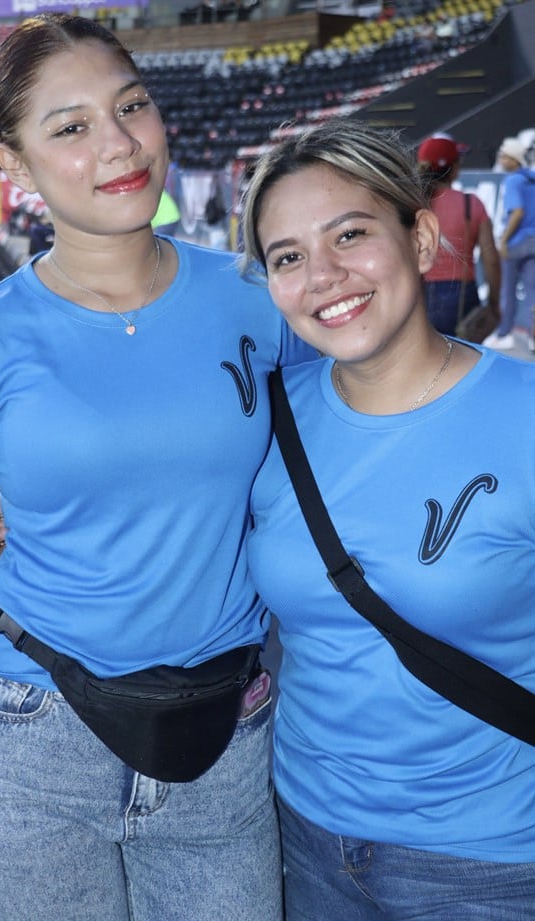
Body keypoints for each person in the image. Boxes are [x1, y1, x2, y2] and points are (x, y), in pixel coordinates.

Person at [0, 14, 313, 921]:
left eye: (130, 105)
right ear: (12, 165)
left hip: (223, 741)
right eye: (70, 127)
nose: (119, 143)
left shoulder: (261, 297)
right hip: (27, 745)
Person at [239, 118, 535, 919]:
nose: (324, 275)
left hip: (492, 861)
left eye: (351, 235)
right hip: (302, 835)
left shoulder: (525, 416)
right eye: (289, 257)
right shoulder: (262, 422)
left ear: (425, 236)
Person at [416, 134, 500, 336]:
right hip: (462, 296)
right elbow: (491, 259)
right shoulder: (471, 204)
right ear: (453, 169)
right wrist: (494, 303)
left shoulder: (412, 205)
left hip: (418, 294)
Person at [484, 136, 535, 351]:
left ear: (514, 159)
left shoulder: (513, 180)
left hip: (515, 242)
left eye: (505, 156)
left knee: (508, 290)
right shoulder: (531, 178)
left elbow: (518, 211)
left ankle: (505, 333)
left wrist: (504, 239)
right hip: (533, 240)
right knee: (533, 291)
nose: (501, 159)